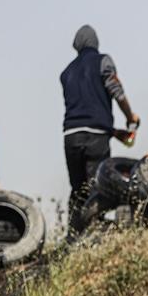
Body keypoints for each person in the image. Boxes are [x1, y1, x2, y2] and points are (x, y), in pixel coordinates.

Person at [60, 24, 139, 233]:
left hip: (71, 136)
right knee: (97, 184)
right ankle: (95, 231)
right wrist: (131, 118)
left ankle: (73, 234)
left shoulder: (66, 73)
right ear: (96, 42)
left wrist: (112, 131)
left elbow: (84, 110)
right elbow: (116, 91)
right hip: (96, 137)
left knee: (78, 189)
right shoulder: (103, 61)